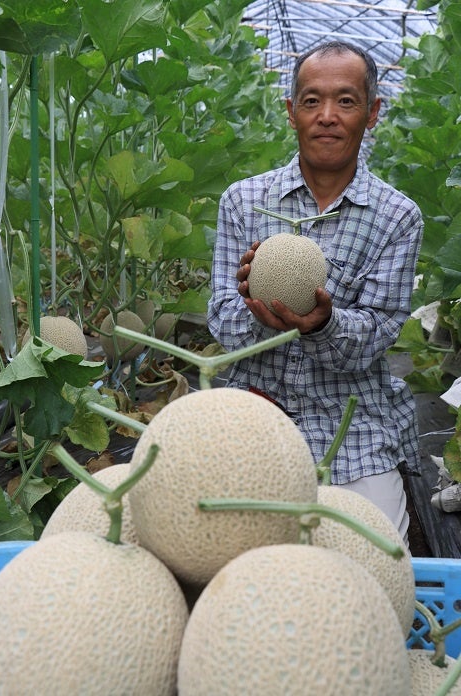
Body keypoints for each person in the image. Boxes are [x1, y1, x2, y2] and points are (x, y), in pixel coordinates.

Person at [207, 40, 423, 546]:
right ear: (291, 111)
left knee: (376, 558)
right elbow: (221, 320)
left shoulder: (397, 216)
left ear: (372, 113)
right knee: (217, 550)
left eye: (346, 101)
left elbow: (376, 336)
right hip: (253, 412)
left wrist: (324, 325)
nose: (327, 116)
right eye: (311, 100)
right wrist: (258, 313)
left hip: (353, 423)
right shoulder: (243, 201)